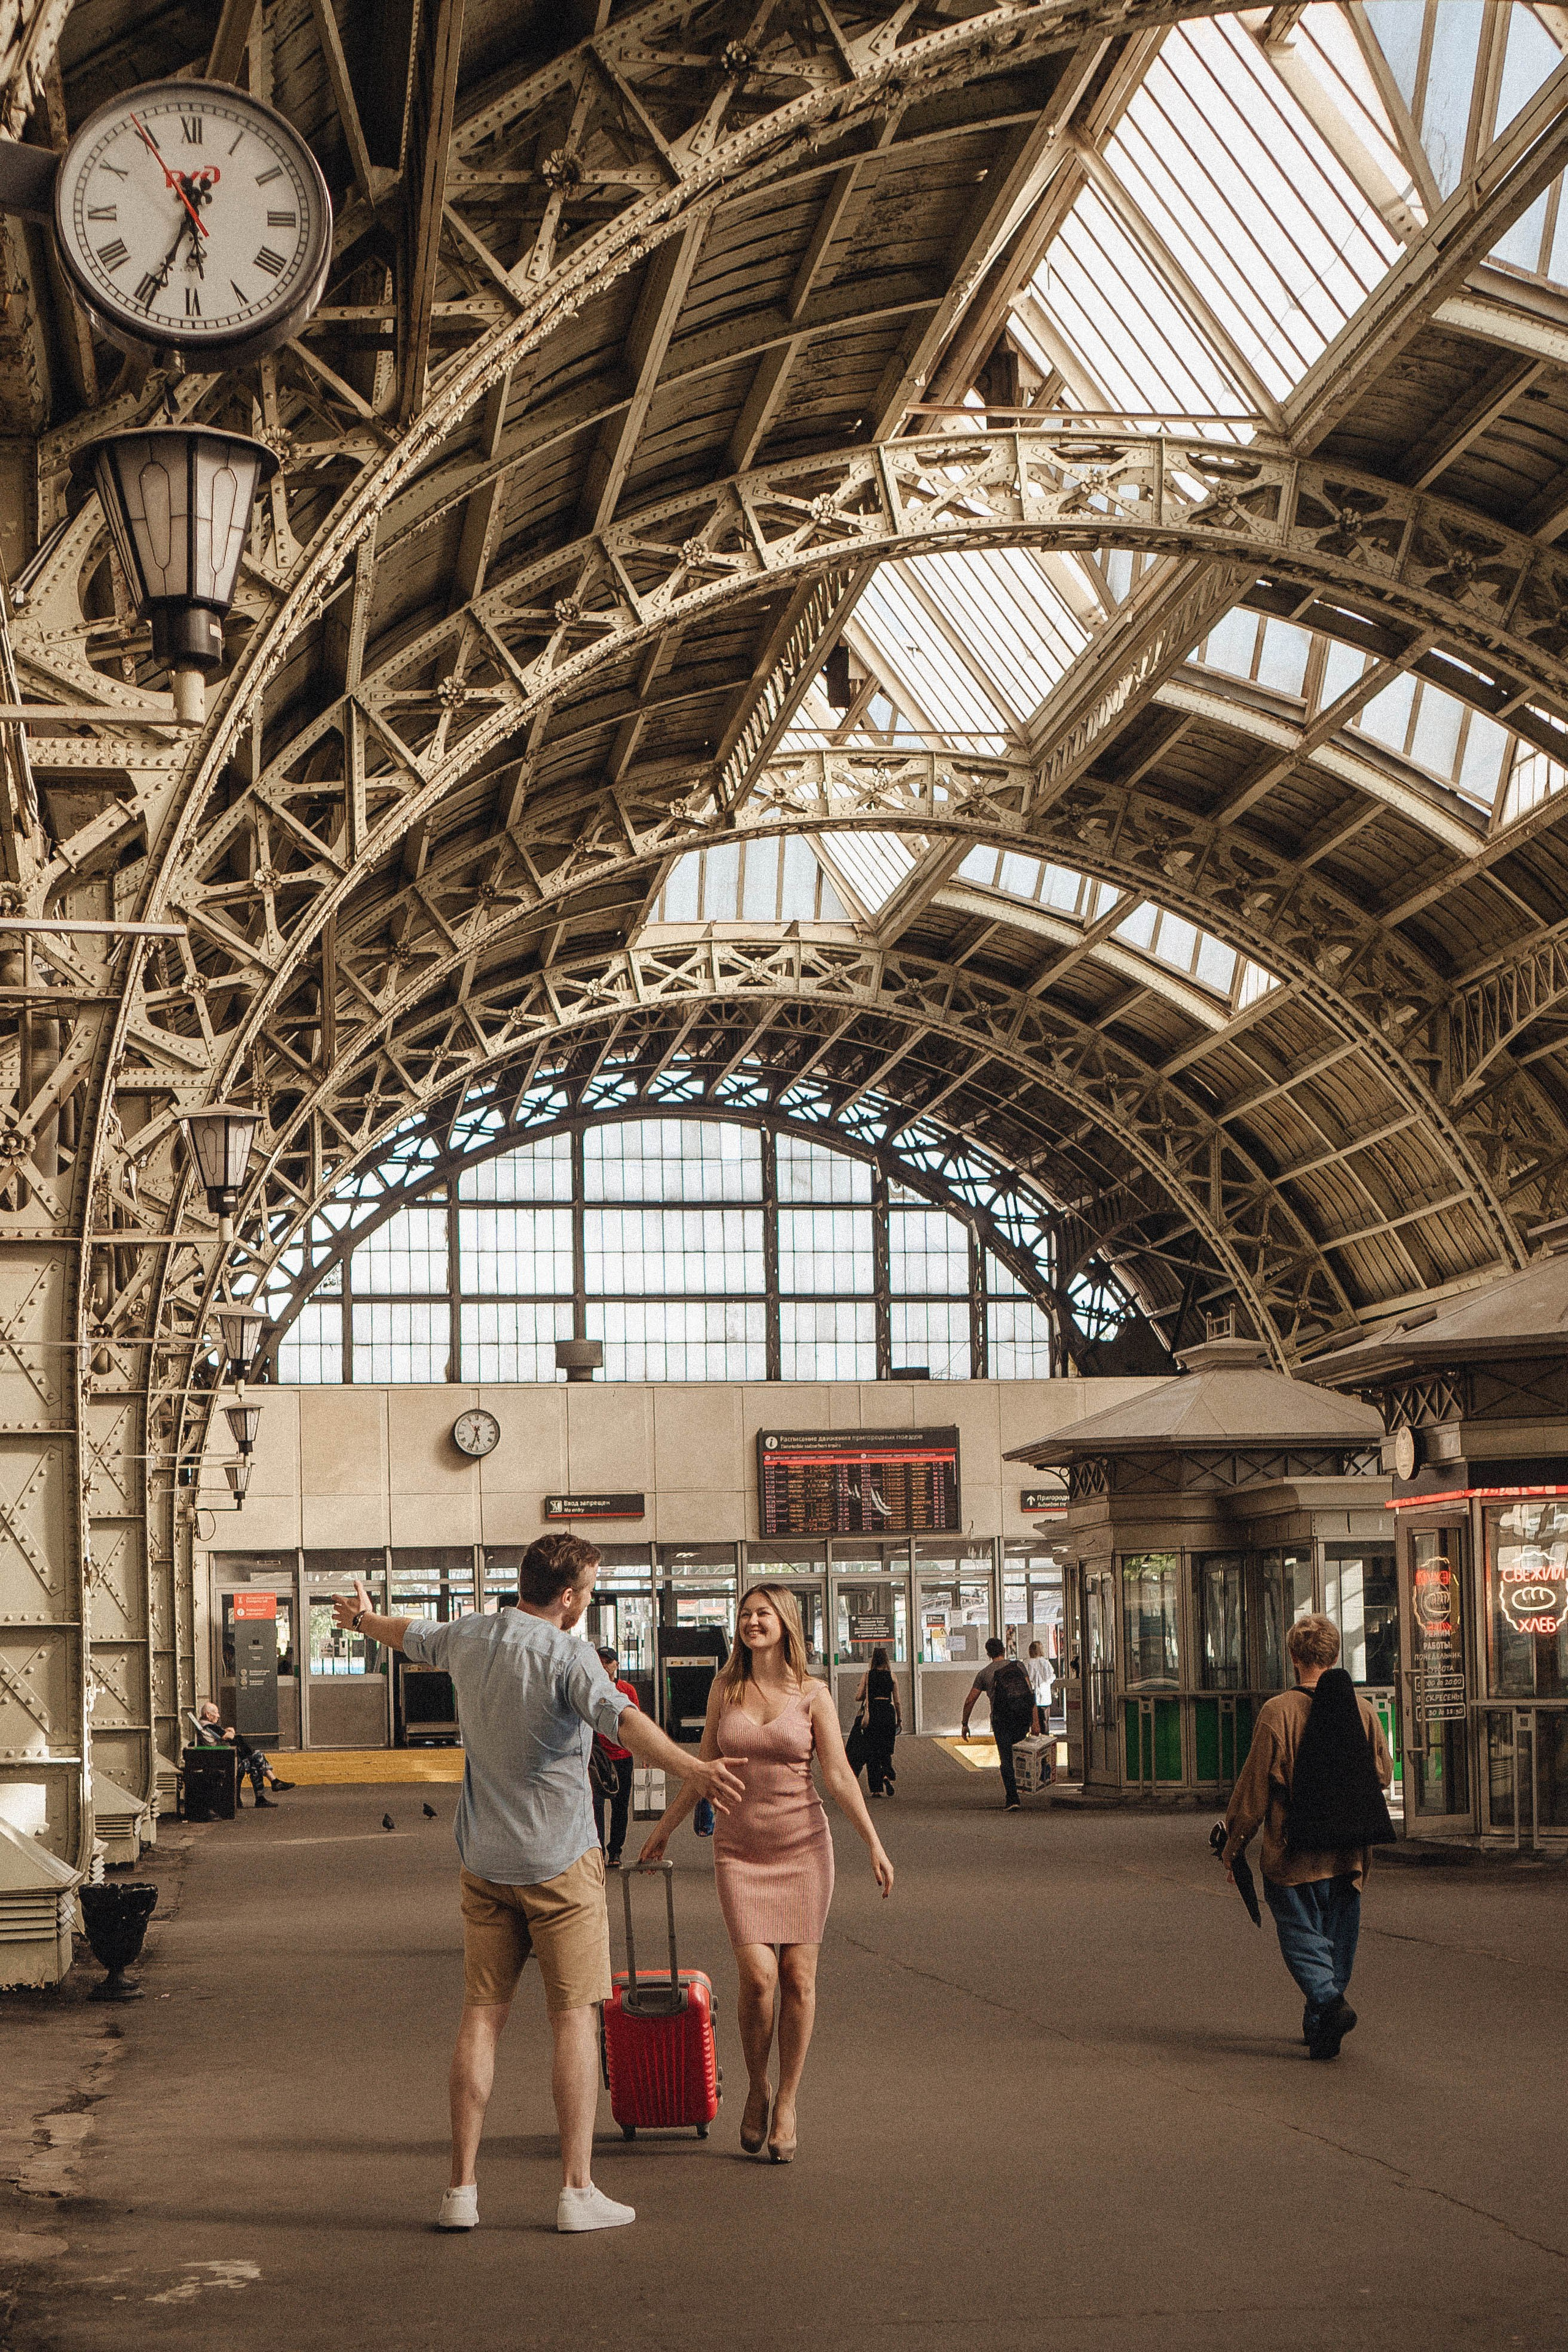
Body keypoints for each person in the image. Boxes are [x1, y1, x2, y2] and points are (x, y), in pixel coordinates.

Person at [333, 1534, 743, 2234]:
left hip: (485, 1861)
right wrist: (690, 1770)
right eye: (587, 1589)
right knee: (574, 2019)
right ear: (568, 1596)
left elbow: (410, 1635)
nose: (587, 1599)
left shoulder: (471, 1635)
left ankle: (460, 2192)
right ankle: (575, 2193)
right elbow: (624, 1719)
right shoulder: (569, 1653)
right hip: (559, 1864)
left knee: (481, 2018)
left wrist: (359, 1622)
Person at [640, 1583, 893, 2165]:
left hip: (804, 1847)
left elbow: (839, 1776)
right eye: (747, 1614)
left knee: (798, 1978)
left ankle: (788, 2103)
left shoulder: (813, 1695)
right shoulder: (725, 1689)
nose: (753, 1622)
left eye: (764, 1614)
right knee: (758, 1977)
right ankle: (757, 2087)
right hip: (739, 1851)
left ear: (786, 1624)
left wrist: (873, 1844)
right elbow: (699, 1768)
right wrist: (665, 1827)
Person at [1220, 1613, 1394, 2061]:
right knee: (1338, 1936)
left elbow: (1254, 1789)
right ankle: (1320, 2024)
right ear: (1335, 1655)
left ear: (1294, 1657)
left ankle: (1330, 2004)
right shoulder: (1363, 1710)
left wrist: (1233, 1844)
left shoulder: (1278, 1712)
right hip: (1349, 1853)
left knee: (1301, 1934)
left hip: (1293, 1852)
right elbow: (1382, 1773)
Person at [960, 1637, 1040, 1811]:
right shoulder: (1018, 1666)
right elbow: (1030, 1694)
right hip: (1021, 1718)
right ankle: (1024, 1787)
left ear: (988, 1654)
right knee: (1019, 1753)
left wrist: (965, 1723)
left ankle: (1012, 1798)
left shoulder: (984, 1674)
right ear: (1004, 1650)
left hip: (1001, 1720)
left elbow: (970, 1701)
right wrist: (1035, 1722)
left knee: (1006, 1758)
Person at [191, 1700, 293, 1806]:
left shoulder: (205, 1725)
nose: (218, 1716)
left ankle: (269, 1789)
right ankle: (268, 1788)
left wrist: (227, 1731)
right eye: (216, 1714)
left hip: (218, 1756)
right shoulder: (209, 1725)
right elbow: (229, 1736)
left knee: (252, 1762)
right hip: (220, 1757)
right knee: (254, 1756)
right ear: (208, 1715)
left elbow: (221, 1734)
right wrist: (231, 1732)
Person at [592, 1646, 639, 1866]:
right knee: (596, 1804)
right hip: (598, 1757)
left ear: (617, 1665)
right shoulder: (592, 1688)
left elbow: (637, 1721)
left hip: (622, 1755)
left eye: (608, 1661)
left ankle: (615, 1851)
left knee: (620, 1806)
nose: (604, 1664)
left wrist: (643, 1752)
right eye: (600, 1660)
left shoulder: (626, 1689)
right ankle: (598, 1850)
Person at [853, 1646, 901, 1798]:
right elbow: (898, 1701)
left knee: (872, 1751)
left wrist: (862, 1690)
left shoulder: (867, 1676)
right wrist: (899, 1719)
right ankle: (886, 1773)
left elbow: (859, 1697)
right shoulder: (892, 1676)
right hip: (888, 1712)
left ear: (873, 1659)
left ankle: (876, 1789)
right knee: (885, 1748)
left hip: (873, 1713)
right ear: (887, 1660)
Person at [1024, 1639, 1055, 1723]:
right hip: (1045, 1696)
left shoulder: (1028, 1663)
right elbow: (1050, 1678)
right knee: (1044, 1721)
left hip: (1032, 1697)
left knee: (1034, 1722)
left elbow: (1026, 1678)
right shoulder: (1045, 1663)